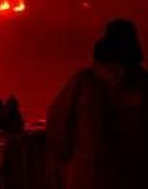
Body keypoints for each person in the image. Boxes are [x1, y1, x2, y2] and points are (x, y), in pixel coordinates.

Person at [47, 19, 144, 189]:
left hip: (89, 176)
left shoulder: (83, 82)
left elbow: (58, 126)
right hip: (133, 175)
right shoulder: (143, 85)